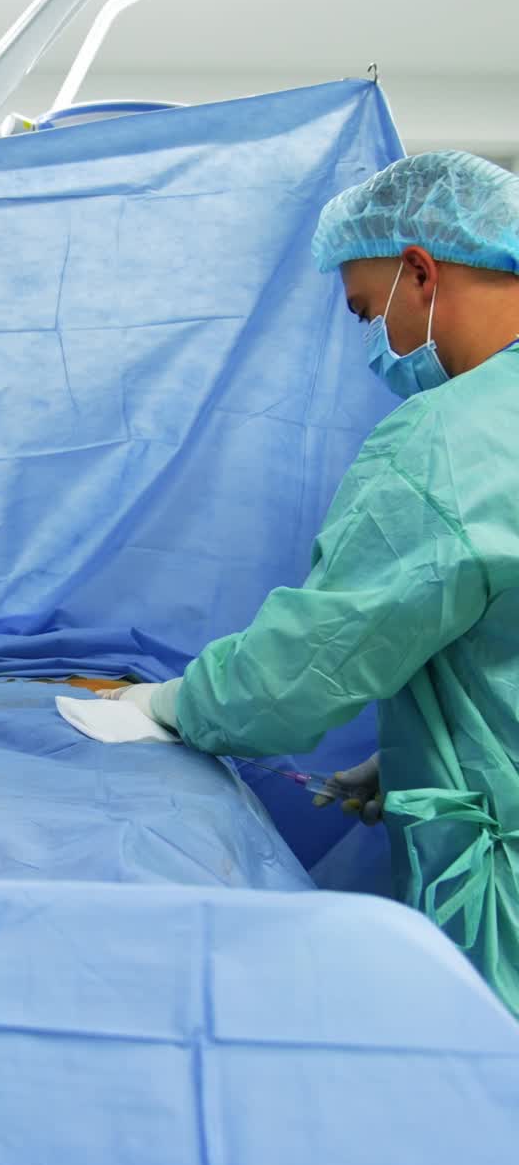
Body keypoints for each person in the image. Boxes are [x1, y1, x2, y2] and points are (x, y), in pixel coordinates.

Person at [104, 151, 519, 1016]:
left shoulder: (450, 443)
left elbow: (315, 657)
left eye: (371, 313)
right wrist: (416, 749)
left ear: (420, 272)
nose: (382, 344)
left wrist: (172, 705)